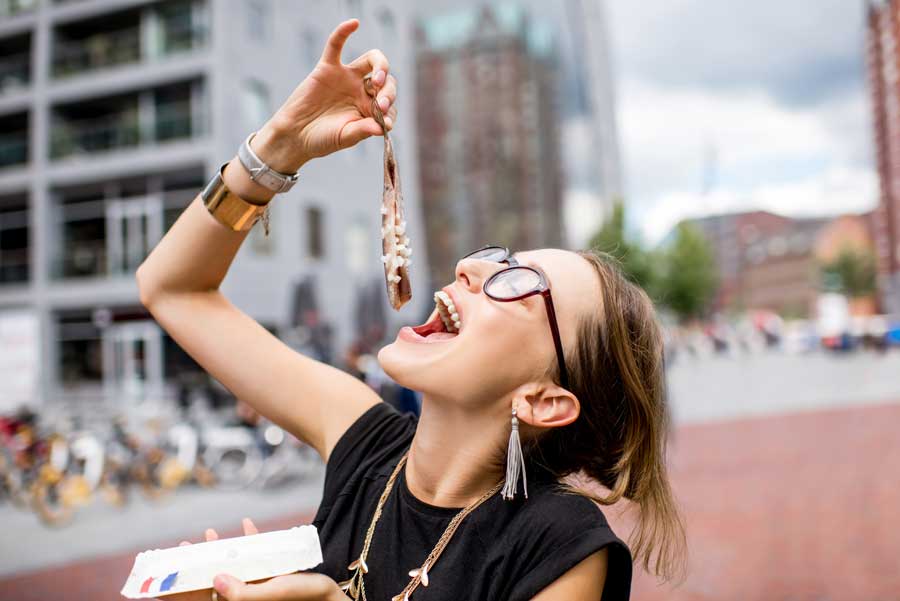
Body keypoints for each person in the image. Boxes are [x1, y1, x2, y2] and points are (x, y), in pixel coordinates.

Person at [137, 19, 685, 601]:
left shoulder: (562, 550)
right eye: (496, 256)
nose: (471, 267)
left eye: (519, 281)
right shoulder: (363, 441)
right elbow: (172, 290)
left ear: (542, 400)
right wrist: (277, 147)